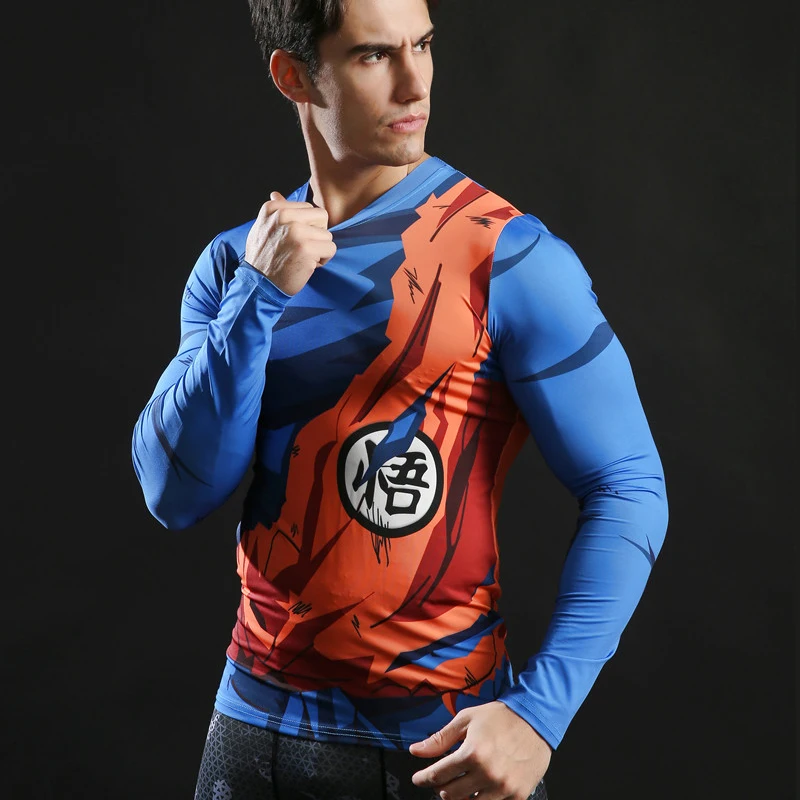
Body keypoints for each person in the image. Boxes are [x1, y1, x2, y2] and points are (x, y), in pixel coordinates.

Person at [131, 0, 669, 797]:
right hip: (251, 735)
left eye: (423, 45)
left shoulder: (506, 255)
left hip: (439, 747)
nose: (416, 83)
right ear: (293, 76)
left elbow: (628, 485)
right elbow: (174, 493)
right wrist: (258, 296)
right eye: (374, 56)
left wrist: (540, 714)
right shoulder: (235, 265)